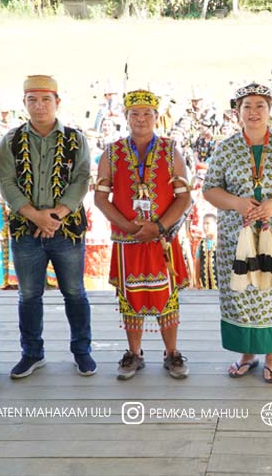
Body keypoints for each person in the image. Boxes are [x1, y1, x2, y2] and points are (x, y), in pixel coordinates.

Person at [203, 83, 272, 383]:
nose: (254, 112)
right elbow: (210, 189)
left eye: (260, 106)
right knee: (241, 292)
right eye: (247, 106)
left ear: (270, 110)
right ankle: (247, 354)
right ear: (237, 112)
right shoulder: (225, 149)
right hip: (236, 235)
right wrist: (237, 203)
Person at [0, 75, 96, 379]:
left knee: (74, 292)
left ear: (57, 102)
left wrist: (57, 214)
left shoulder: (75, 139)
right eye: (32, 100)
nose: (39, 106)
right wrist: (35, 216)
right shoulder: (10, 140)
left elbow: (81, 179)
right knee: (28, 294)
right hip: (25, 230)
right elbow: (6, 182)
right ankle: (32, 353)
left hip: (66, 229)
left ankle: (82, 351)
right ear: (24, 103)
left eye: (45, 100)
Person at [93, 89, 192, 380]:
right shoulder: (111, 152)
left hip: (162, 240)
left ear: (156, 117)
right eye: (134, 113)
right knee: (130, 299)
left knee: (167, 297)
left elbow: (184, 198)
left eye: (147, 113)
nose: (141, 119)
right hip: (128, 241)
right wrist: (126, 226)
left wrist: (158, 227)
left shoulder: (170, 151)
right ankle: (134, 354)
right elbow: (100, 198)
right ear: (126, 117)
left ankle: (172, 353)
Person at [197, 213, 219, 289]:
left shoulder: (221, 242)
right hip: (205, 284)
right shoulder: (201, 243)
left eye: (208, 223)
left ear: (215, 225)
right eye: (203, 224)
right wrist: (197, 280)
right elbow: (198, 263)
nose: (205, 226)